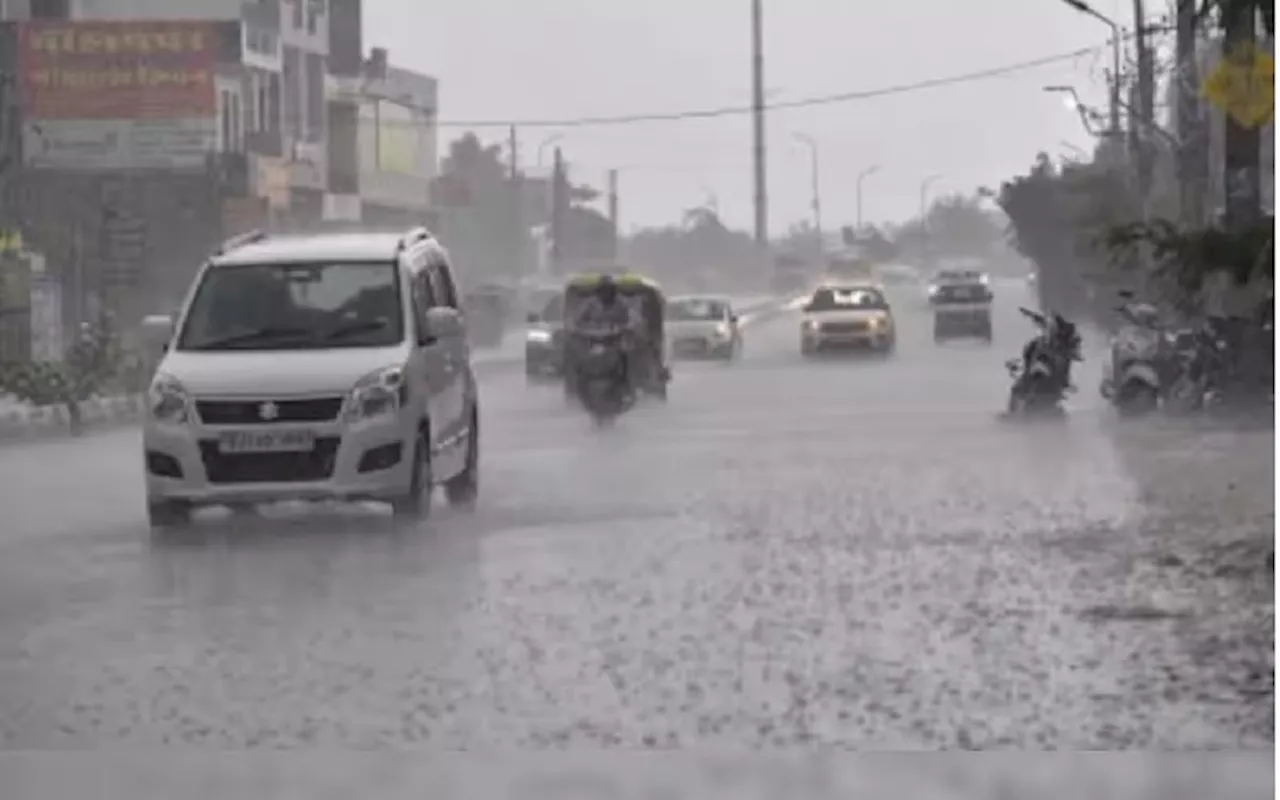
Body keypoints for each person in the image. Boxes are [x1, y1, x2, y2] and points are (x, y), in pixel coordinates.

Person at [570, 275, 641, 394]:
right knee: (577, 358)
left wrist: (625, 327)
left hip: (614, 340)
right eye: (603, 290)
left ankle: (626, 387)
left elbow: (631, 319)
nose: (606, 293)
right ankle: (577, 389)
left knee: (625, 356)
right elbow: (578, 320)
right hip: (592, 340)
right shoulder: (591, 304)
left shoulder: (621, 304)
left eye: (608, 290)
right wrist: (581, 328)